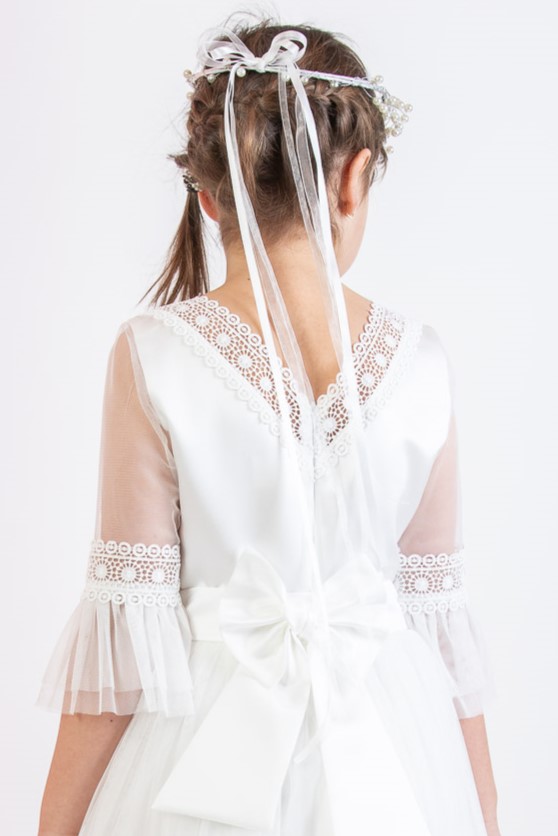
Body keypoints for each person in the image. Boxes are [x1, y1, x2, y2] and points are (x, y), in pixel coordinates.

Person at [35, 16, 501, 836]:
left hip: (197, 761)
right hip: (394, 760)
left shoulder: (155, 354)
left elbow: (126, 639)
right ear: (354, 178)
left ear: (209, 194)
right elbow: (439, 632)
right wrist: (485, 813)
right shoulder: (422, 364)